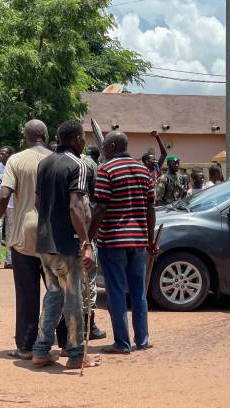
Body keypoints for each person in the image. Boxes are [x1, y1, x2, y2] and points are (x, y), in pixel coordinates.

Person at [0, 119, 68, 360]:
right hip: (53, 234)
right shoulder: (58, 159)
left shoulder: (16, 160)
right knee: (60, 290)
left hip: (24, 234)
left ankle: (25, 345)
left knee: (26, 293)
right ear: (45, 135)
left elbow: (3, 195)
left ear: (26, 137)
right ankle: (65, 342)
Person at [32, 120, 100, 369]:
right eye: (83, 138)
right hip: (66, 244)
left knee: (53, 295)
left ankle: (40, 349)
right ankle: (75, 355)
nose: (84, 142)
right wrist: (86, 243)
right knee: (73, 298)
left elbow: (38, 203)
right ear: (77, 139)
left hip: (44, 242)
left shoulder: (44, 163)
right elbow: (76, 206)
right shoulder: (79, 165)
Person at [88, 130, 156, 354]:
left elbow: (100, 207)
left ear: (113, 147)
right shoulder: (144, 171)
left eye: (106, 147)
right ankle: (142, 340)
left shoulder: (106, 170)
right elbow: (150, 209)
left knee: (116, 291)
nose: (104, 150)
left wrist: (88, 238)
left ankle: (122, 343)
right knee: (138, 292)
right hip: (138, 240)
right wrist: (150, 239)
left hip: (113, 240)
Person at [80, 146, 107, 340]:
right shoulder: (94, 167)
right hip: (86, 233)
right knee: (88, 279)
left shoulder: (66, 163)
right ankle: (89, 326)